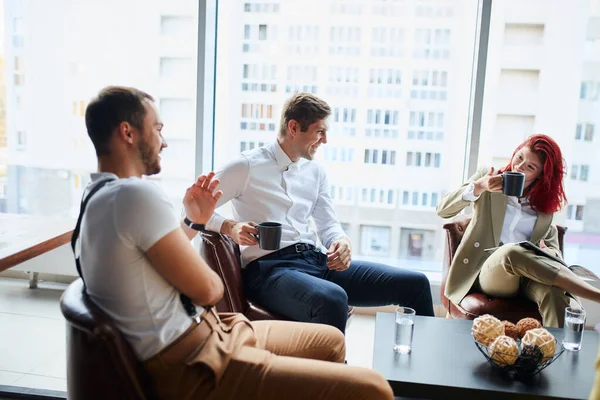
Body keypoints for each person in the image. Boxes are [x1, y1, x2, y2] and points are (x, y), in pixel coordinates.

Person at [77, 86, 393, 400]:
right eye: (157, 129)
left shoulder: (97, 196)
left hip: (210, 330)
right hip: (195, 357)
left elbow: (165, 254)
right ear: (128, 134)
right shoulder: (136, 195)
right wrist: (223, 229)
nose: (164, 141)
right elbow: (210, 290)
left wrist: (196, 221)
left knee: (331, 341)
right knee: (375, 388)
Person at [205, 92, 435, 333]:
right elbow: (194, 209)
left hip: (315, 261)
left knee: (415, 284)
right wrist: (230, 227)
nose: (324, 140)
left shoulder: (315, 173)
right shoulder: (246, 166)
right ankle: (334, 371)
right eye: (319, 131)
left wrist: (341, 241)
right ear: (294, 127)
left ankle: (423, 369)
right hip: (270, 270)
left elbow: (327, 225)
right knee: (333, 298)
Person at [437, 134, 600, 327]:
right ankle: (595, 295)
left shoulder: (544, 208)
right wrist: (479, 187)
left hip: (527, 278)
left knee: (554, 293)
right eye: (520, 157)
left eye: (530, 166)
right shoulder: (488, 179)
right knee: (512, 252)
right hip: (488, 273)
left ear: (540, 175)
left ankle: (551, 352)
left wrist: (549, 252)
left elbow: (554, 251)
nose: (520, 166)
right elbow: (443, 209)